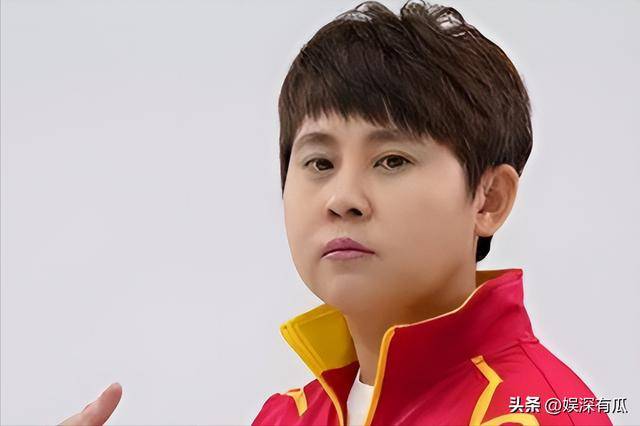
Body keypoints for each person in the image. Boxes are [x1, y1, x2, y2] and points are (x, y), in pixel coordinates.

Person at [251, 1, 613, 425]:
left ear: (489, 199)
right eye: (320, 163)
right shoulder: (283, 417)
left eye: (392, 161)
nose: (342, 198)